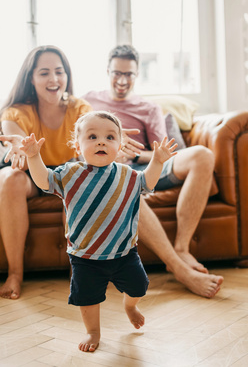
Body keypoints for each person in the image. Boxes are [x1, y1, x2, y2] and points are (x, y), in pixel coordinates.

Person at [20, 110, 178, 352]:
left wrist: (157, 161)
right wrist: (33, 157)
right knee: (88, 298)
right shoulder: (69, 174)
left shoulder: (128, 175)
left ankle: (130, 306)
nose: (101, 141)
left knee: (139, 287)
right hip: (85, 256)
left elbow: (149, 182)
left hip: (124, 252)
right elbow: (44, 182)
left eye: (110, 137)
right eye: (92, 137)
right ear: (77, 145)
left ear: (120, 144)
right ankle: (93, 331)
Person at [0, 45, 142, 300]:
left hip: (67, 171)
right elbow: (17, 142)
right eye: (44, 73)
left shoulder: (79, 108)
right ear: (30, 78)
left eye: (59, 71)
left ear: (67, 75)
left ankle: (80, 272)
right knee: (9, 178)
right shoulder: (16, 111)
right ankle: (14, 274)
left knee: (82, 179)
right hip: (31, 169)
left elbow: (93, 146)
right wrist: (18, 148)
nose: (54, 79)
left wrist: (115, 145)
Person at [83, 44, 224, 298]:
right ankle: (179, 269)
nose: (122, 80)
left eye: (129, 74)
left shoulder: (148, 108)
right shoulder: (89, 101)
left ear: (137, 75)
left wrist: (134, 153)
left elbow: (163, 151)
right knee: (124, 183)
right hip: (111, 171)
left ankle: (182, 247)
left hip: (146, 166)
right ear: (107, 71)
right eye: (117, 73)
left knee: (202, 155)